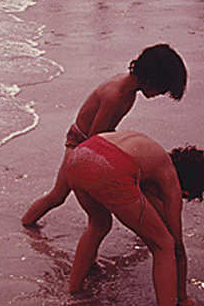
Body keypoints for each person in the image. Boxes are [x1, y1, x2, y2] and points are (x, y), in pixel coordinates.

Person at [65, 130, 204, 306]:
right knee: (164, 245)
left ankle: (73, 289)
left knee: (98, 224)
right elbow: (176, 246)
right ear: (188, 190)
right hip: (110, 165)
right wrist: (182, 297)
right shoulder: (170, 178)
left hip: (80, 156)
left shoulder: (151, 154)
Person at [21, 44, 188, 226]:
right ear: (150, 80)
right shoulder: (114, 95)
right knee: (58, 195)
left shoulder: (128, 91)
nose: (160, 95)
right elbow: (94, 141)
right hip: (79, 143)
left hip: (94, 139)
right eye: (161, 90)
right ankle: (26, 224)